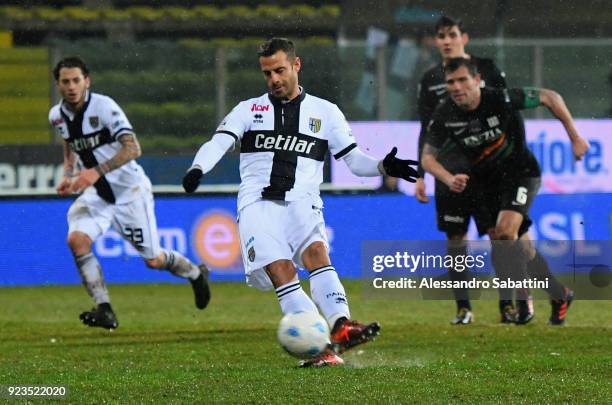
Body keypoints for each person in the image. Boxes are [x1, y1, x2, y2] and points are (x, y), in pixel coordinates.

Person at [182, 38, 419, 366]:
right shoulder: (248, 110)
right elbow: (218, 142)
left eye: (279, 70)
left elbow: (354, 161)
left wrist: (382, 166)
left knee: (316, 254)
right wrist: (198, 168)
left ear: (296, 65)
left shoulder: (325, 112)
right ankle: (320, 347)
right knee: (281, 269)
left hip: (303, 201)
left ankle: (342, 326)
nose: (274, 80)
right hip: (257, 204)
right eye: (267, 74)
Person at [421, 57, 590, 325]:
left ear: (477, 81)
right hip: (487, 183)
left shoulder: (501, 99)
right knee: (522, 249)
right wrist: (447, 177)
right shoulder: (445, 112)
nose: (456, 87)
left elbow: (551, 97)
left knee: (505, 233)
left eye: (462, 80)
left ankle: (523, 300)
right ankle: (559, 294)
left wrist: (575, 137)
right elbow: (427, 157)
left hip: (521, 174)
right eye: (450, 82)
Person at [49, 56, 211, 330]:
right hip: (98, 195)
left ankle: (196, 273)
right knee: (77, 240)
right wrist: (69, 174)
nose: (71, 86)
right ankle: (105, 309)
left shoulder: (105, 107)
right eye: (65, 81)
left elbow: (134, 148)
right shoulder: (57, 116)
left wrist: (95, 172)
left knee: (153, 260)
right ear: (59, 85)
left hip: (130, 192)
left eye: (76, 80)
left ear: (86, 81)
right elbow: (70, 144)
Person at [414, 16, 512, 325]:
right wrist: (420, 174)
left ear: (464, 37)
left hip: (487, 170)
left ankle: (507, 305)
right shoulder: (430, 79)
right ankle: (463, 308)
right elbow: (425, 130)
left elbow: (505, 113)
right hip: (448, 171)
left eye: (451, 34)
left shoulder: (488, 68)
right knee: (456, 239)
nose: (446, 41)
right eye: (440, 36)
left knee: (499, 235)